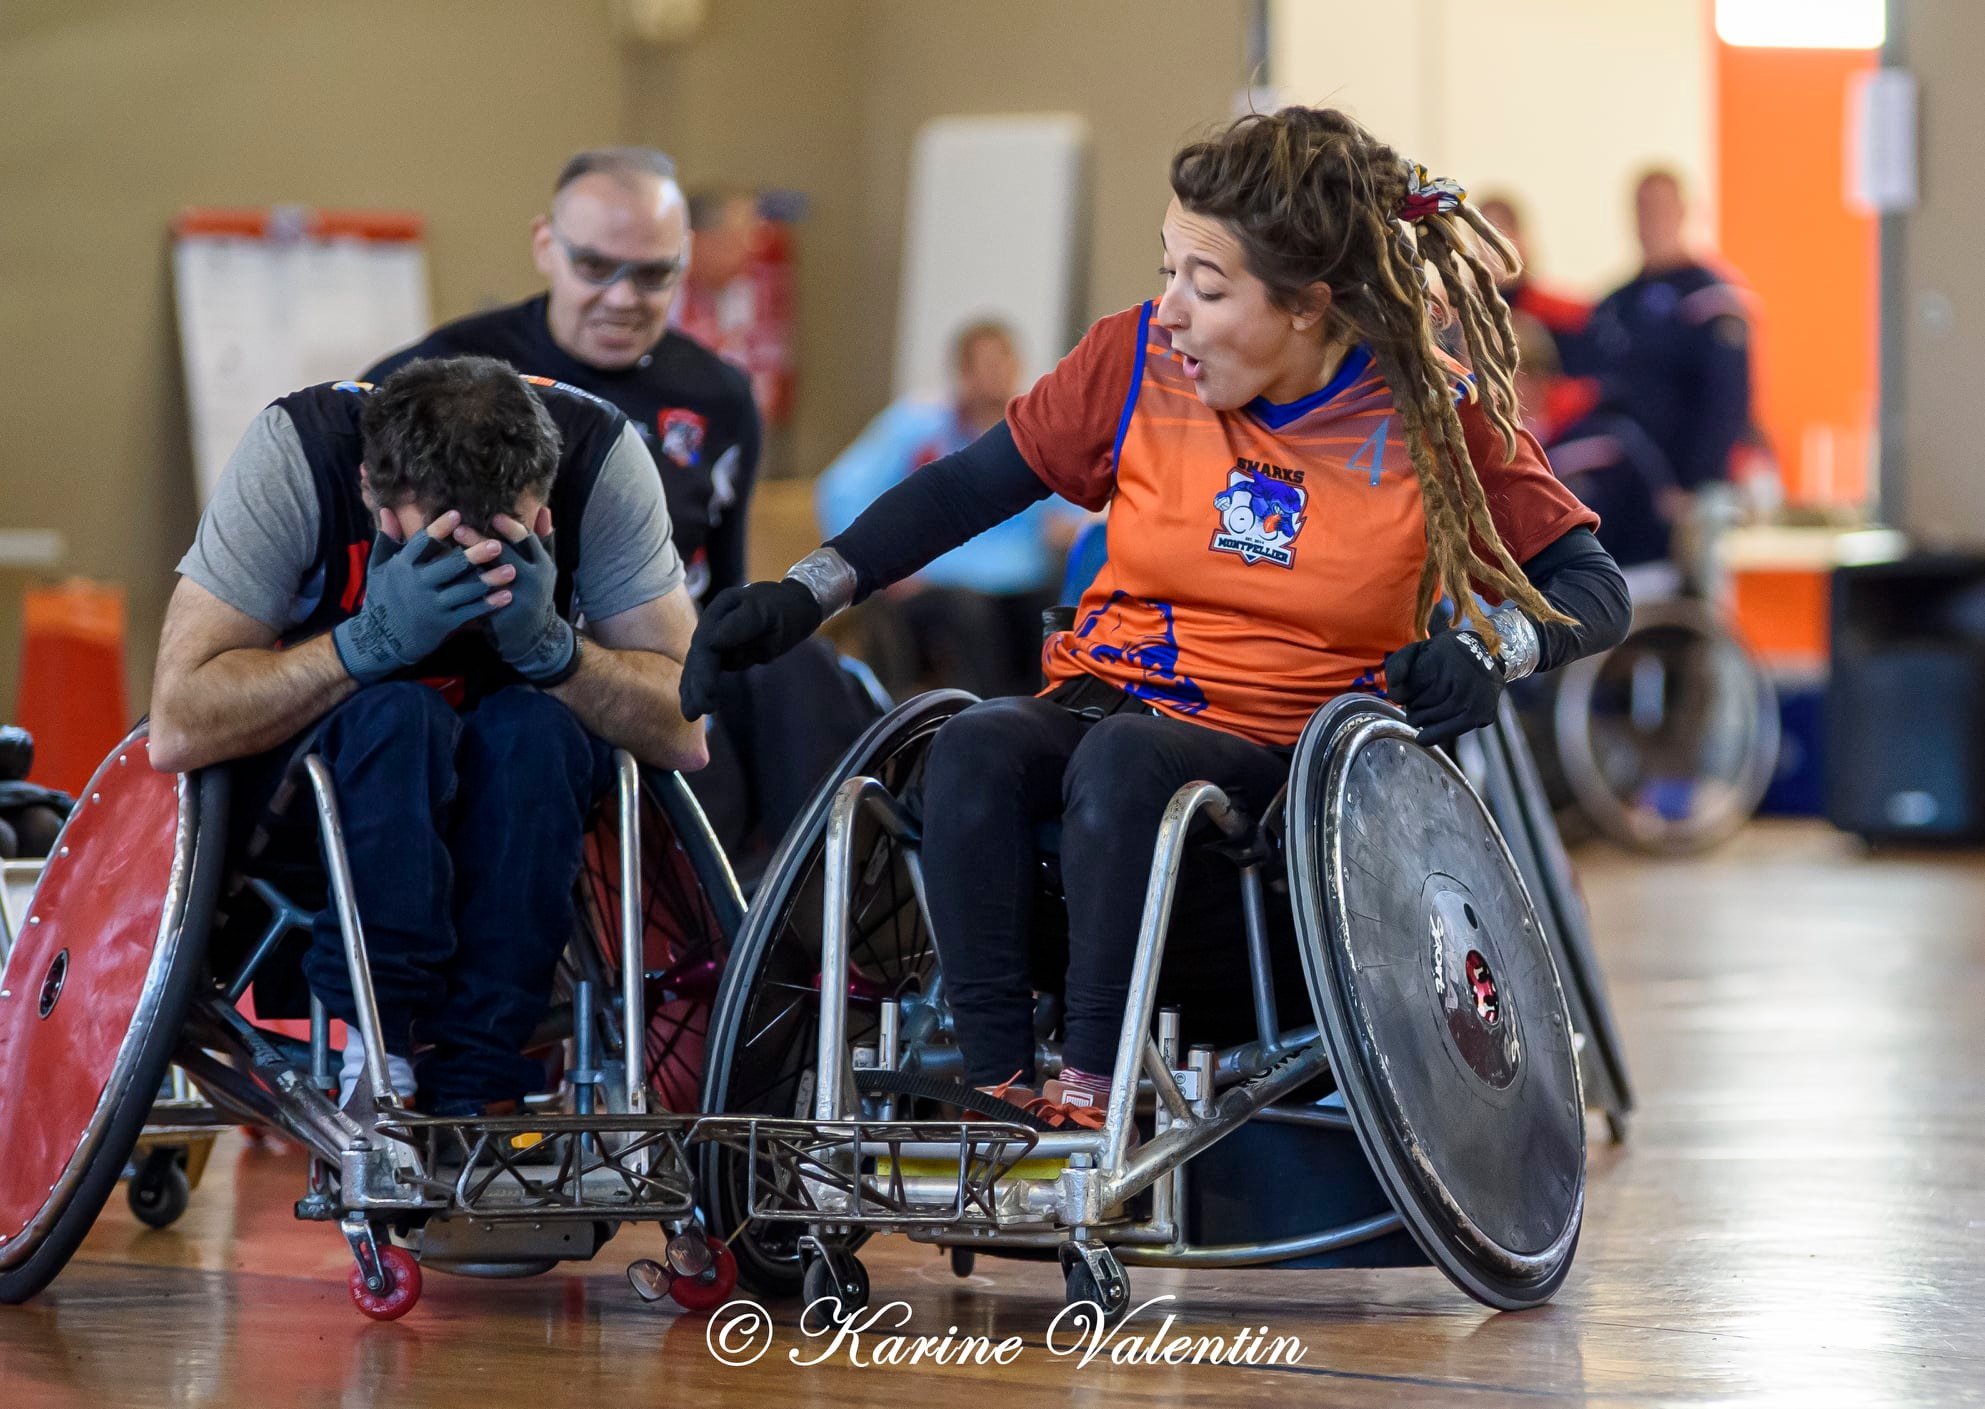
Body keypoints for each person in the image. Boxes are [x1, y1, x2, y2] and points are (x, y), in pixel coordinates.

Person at [677, 107, 1632, 1129]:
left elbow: (1591, 586)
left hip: (1290, 769)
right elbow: (964, 488)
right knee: (975, 743)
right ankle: (998, 1083)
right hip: (1114, 704)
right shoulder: (1136, 359)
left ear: (1307, 305)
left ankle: (1096, 1083)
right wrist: (802, 593)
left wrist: (1493, 646)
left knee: (1126, 761)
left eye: (1206, 286)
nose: (1169, 308)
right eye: (1166, 269)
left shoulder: (1433, 414)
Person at [149, 355, 706, 1118]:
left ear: (544, 509)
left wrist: (555, 649)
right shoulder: (298, 451)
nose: (478, 570)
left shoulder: (598, 456)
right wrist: (364, 643)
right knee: (399, 715)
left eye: (506, 543)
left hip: (507, 810)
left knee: (535, 725)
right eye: (445, 547)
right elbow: (177, 723)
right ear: (372, 496)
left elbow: (685, 730)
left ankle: (480, 1076)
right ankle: (380, 1045)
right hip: (316, 811)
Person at [365, 148, 872, 874]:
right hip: (513, 661)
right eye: (595, 267)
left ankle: (809, 918)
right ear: (546, 245)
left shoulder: (721, 395)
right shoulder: (449, 372)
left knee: (795, 670)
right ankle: (713, 925)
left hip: (665, 652)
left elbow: (720, 585)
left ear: (685, 260)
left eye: (652, 273)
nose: (622, 297)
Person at [816, 319, 1085, 699]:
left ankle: (1041, 720)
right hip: (940, 582)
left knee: (1057, 613)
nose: (997, 374)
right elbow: (840, 491)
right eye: (985, 364)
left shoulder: (1034, 431)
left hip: (1021, 578)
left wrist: (1070, 527)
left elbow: (1070, 510)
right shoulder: (919, 426)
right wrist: (874, 566)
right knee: (970, 617)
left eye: (1004, 362)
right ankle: (984, 724)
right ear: (962, 372)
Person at [1587, 168, 1756, 500]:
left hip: (1693, 491)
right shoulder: (1615, 304)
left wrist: (1695, 484)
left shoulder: (1713, 301)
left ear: (1682, 212)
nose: (1652, 219)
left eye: (1662, 208)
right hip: (1627, 494)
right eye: (1644, 208)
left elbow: (1727, 402)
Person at [1477, 194, 1596, 375]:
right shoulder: (1456, 316)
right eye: (1479, 236)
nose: (1488, 248)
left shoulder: (1561, 314)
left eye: (1498, 233)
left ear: (1520, 239)